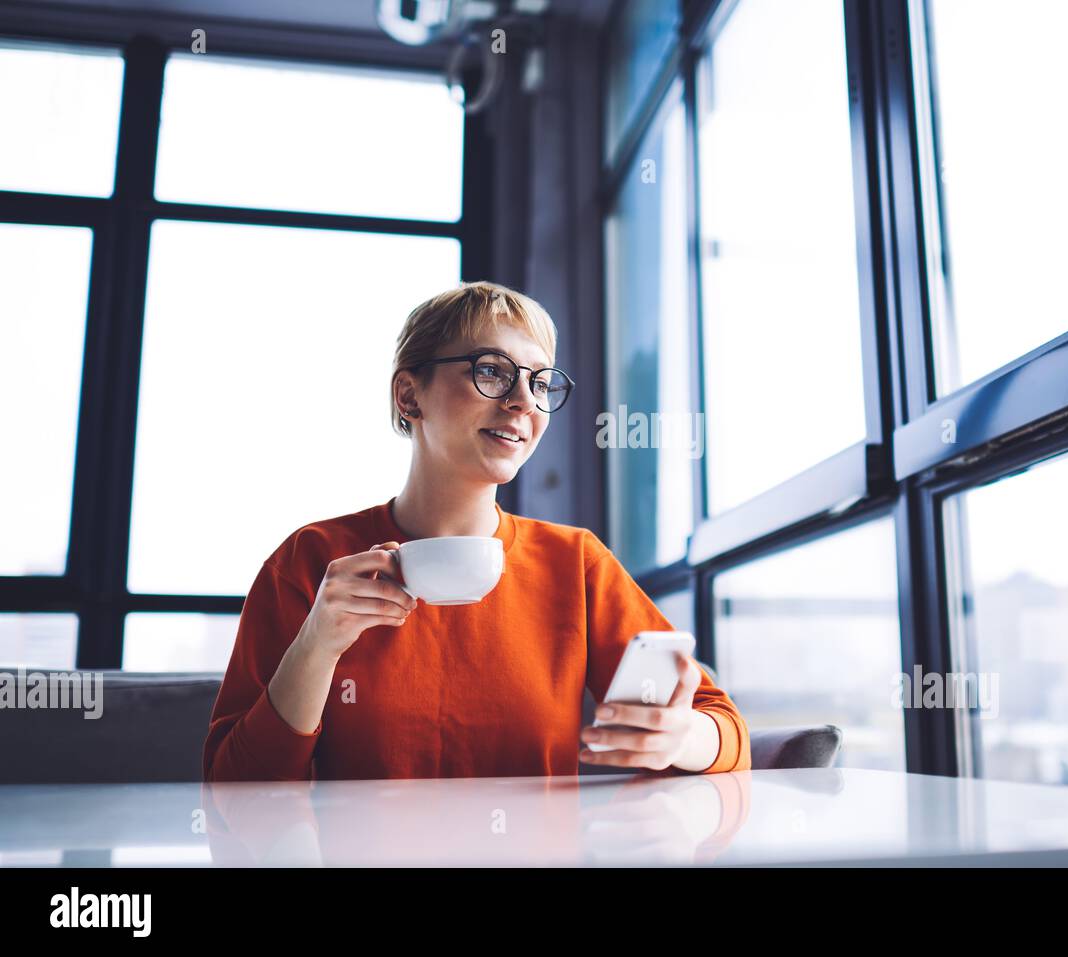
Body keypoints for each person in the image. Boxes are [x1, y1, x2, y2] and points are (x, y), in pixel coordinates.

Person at [202, 281, 751, 781]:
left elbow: (726, 731)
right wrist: (317, 645)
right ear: (409, 396)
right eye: (491, 370)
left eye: (540, 382)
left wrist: (678, 736)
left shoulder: (575, 563)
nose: (523, 402)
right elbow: (232, 786)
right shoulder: (311, 561)